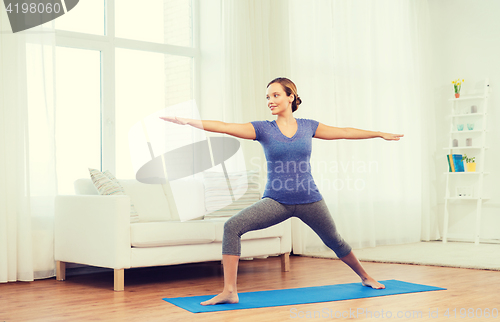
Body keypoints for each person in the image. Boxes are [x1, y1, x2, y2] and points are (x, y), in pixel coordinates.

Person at [160, 77, 404, 306]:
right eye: (267, 97)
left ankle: (365, 276)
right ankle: (230, 291)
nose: (270, 101)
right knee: (232, 226)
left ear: (291, 97)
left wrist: (379, 134)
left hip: (310, 199)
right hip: (277, 200)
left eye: (275, 95)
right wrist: (189, 121)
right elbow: (225, 127)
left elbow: (346, 132)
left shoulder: (308, 127)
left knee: (335, 241)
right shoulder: (263, 129)